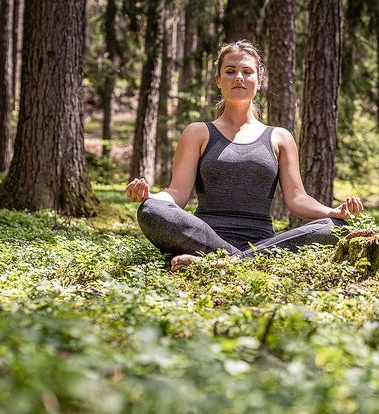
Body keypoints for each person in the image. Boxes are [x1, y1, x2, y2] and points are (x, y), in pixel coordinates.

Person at [126, 40, 364, 270]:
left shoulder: (279, 137)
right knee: (150, 211)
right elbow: (177, 193)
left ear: (259, 81)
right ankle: (239, 261)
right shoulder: (198, 132)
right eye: (230, 71)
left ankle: (222, 263)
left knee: (336, 227)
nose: (239, 77)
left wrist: (331, 212)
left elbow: (297, 199)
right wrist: (153, 196)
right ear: (219, 80)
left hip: (262, 242)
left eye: (247, 72)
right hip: (205, 238)